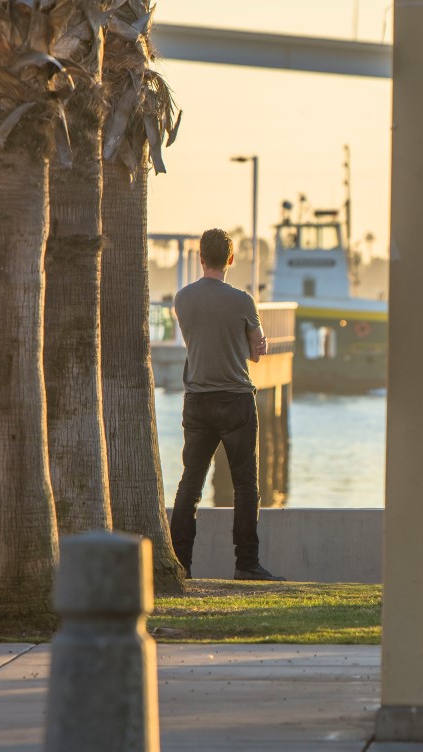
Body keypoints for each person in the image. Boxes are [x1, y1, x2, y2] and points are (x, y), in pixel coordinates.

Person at [169, 228, 286, 582]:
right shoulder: (243, 301)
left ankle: (181, 564)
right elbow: (255, 353)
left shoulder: (182, 299)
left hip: (197, 400)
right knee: (245, 484)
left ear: (201, 257)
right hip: (235, 399)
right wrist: (255, 345)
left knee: (190, 484)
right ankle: (246, 563)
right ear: (231, 259)